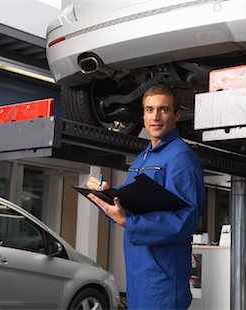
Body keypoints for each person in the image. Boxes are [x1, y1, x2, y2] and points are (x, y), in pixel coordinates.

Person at [87, 84, 205, 309]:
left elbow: (186, 219)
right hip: (138, 271)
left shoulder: (181, 158)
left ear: (176, 115)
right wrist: (109, 197)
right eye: (149, 110)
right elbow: (132, 203)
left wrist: (128, 221)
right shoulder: (143, 157)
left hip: (162, 276)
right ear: (142, 115)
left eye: (164, 109)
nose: (156, 117)